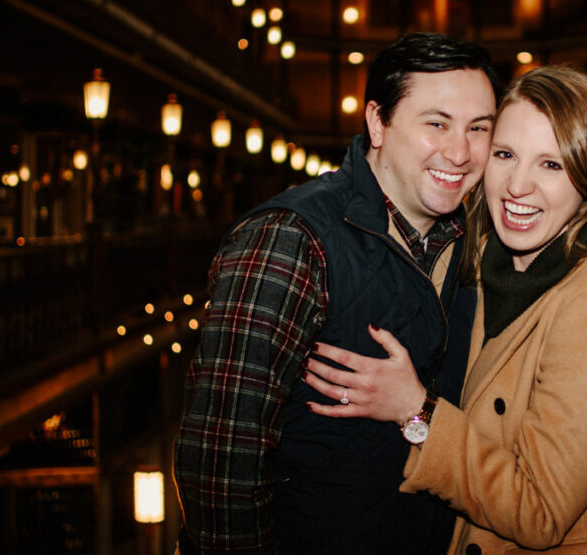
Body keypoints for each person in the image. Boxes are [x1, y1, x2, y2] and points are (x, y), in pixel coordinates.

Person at [303, 65, 587, 554]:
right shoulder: (476, 269)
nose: (518, 186)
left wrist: (416, 411)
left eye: (552, 165)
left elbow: (539, 512)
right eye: (505, 154)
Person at [173, 32, 502, 554]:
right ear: (377, 122)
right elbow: (220, 461)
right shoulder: (292, 238)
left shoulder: (472, 244)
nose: (460, 152)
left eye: (478, 129)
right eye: (436, 123)